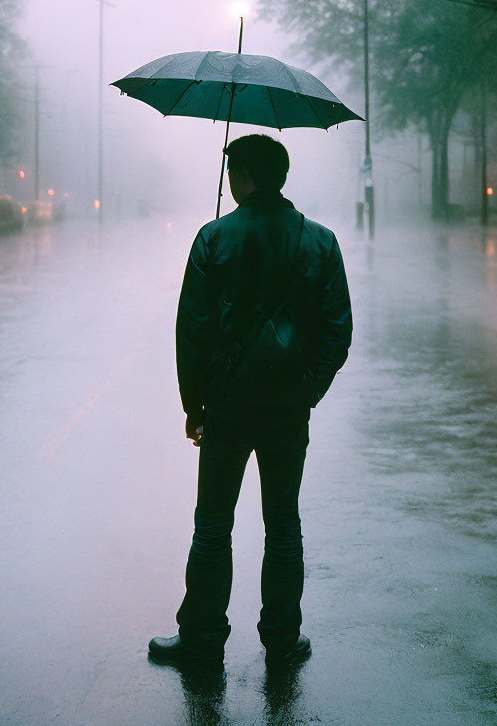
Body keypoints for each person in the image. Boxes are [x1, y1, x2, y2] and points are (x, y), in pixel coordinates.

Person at [149, 134, 352, 666]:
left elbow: (191, 331)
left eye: (233, 171)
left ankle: (201, 638)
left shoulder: (213, 239)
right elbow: (337, 333)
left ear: (243, 177)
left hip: (226, 408)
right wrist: (306, 390)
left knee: (214, 523)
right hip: (288, 409)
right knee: (283, 523)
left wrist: (195, 405)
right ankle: (282, 641)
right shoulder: (321, 242)